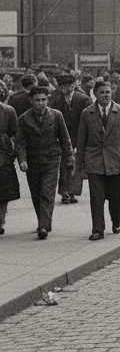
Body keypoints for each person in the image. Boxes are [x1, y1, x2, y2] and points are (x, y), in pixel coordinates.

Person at [76, 80, 120, 241]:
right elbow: (81, 141)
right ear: (95, 94)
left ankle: (116, 220)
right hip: (94, 162)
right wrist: (79, 164)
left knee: (116, 197)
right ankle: (98, 229)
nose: (105, 95)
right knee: (96, 198)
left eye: (108, 92)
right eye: (102, 92)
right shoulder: (87, 113)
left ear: (112, 93)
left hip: (115, 161)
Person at [16, 85, 74, 239]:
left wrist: (69, 158)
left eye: (44, 100)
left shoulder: (56, 116)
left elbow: (65, 139)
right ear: (31, 101)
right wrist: (22, 160)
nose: (41, 103)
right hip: (32, 162)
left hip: (51, 160)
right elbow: (20, 143)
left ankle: (43, 226)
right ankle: (42, 220)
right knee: (36, 193)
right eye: (37, 100)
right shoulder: (23, 119)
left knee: (47, 193)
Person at [50, 74, 92, 205]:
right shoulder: (56, 101)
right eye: (62, 86)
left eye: (66, 86)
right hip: (62, 138)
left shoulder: (84, 100)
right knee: (64, 165)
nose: (64, 89)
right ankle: (65, 193)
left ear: (73, 86)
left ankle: (72, 191)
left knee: (76, 165)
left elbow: (89, 120)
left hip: (80, 137)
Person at [0, 90, 20, 235]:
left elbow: (15, 134)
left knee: (4, 191)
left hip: (3, 155)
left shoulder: (8, 111)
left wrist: (13, 153)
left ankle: (0, 219)